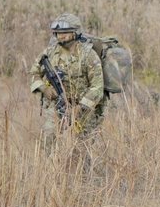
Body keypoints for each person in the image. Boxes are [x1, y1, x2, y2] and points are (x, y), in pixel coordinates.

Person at [28, 14, 105, 149]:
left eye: (65, 33)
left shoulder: (88, 55)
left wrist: (80, 107)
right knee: (48, 138)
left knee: (83, 146)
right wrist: (44, 89)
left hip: (83, 107)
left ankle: (81, 169)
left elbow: (97, 86)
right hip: (57, 105)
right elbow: (33, 73)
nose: (60, 36)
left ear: (76, 32)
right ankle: (49, 168)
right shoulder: (50, 52)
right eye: (57, 33)